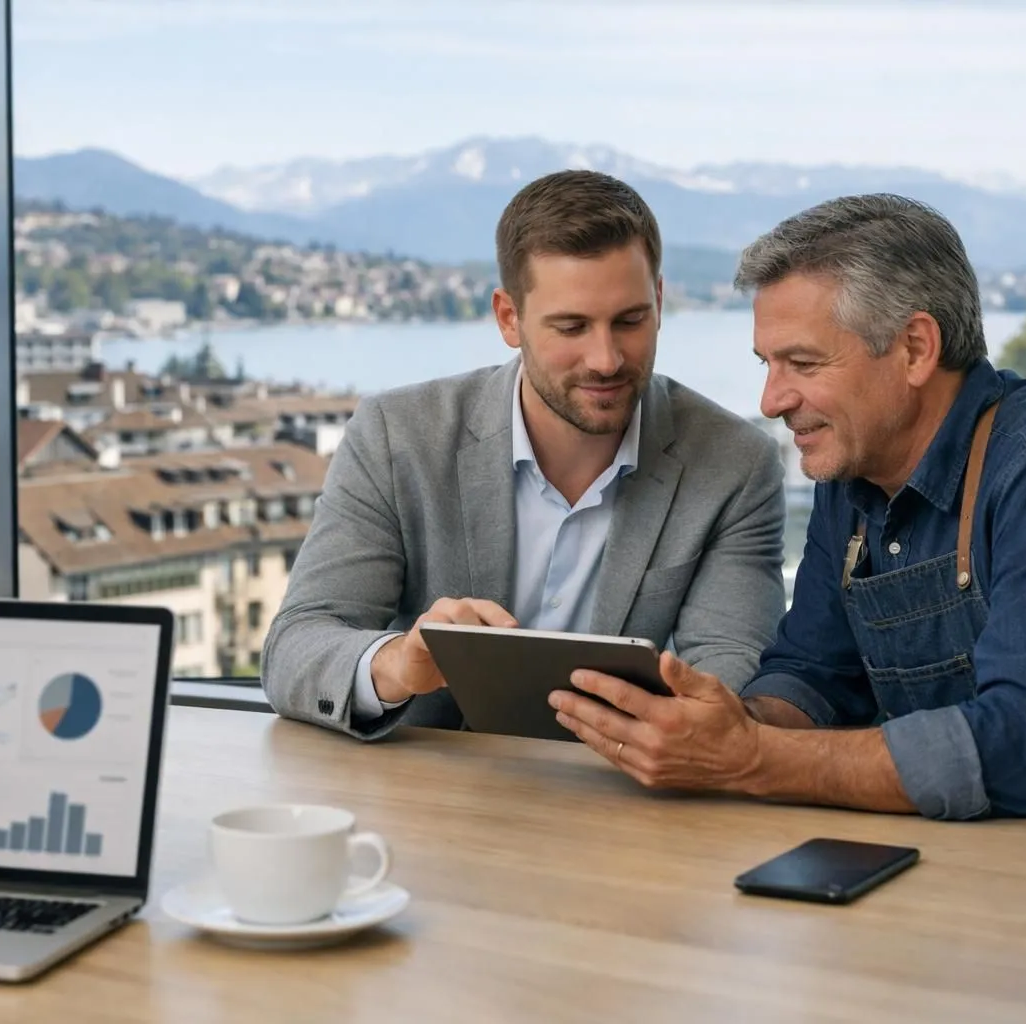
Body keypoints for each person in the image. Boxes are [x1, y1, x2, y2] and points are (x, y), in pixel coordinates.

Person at [550, 193, 1026, 819]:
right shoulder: (854, 473)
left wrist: (753, 759)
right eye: (767, 364)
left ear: (915, 348)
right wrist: (724, 726)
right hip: (983, 860)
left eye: (802, 364)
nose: (772, 400)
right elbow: (812, 674)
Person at [262, 169, 787, 739]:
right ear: (509, 318)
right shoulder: (397, 437)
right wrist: (394, 663)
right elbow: (295, 646)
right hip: (424, 797)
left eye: (630, 321)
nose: (606, 358)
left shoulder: (736, 463)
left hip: (623, 797)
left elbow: (730, 677)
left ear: (659, 301)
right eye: (572, 327)